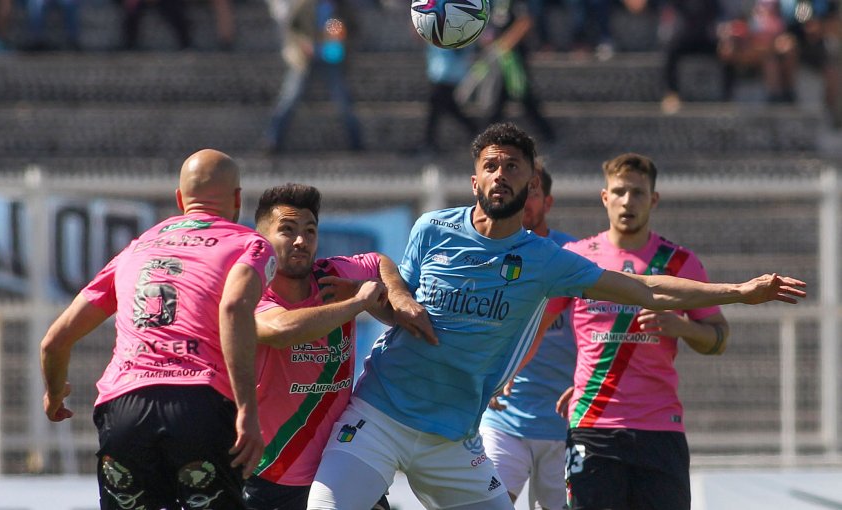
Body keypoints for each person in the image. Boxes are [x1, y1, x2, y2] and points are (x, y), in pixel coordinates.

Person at [305, 121, 806, 510]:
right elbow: (403, 307)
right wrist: (378, 295)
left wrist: (739, 292)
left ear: (532, 183)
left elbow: (646, 287)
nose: (502, 174)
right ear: (474, 177)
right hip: (380, 414)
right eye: (492, 165)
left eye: (514, 166)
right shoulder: (434, 228)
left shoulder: (545, 259)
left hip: (454, 438)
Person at [39, 149, 277, 510]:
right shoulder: (249, 244)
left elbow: (54, 342)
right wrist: (247, 408)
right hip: (199, 404)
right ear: (238, 200)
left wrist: (55, 393)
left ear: (181, 200)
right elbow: (233, 308)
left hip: (124, 410)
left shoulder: (137, 249)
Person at [542, 153, 730, 510]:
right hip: (594, 426)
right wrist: (504, 373)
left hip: (661, 429)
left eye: (638, 193)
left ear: (653, 199)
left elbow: (719, 339)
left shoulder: (679, 263)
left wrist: (682, 326)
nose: (628, 201)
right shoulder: (577, 259)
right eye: (620, 191)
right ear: (605, 197)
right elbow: (535, 326)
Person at [243, 183, 436, 510]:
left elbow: (379, 262)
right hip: (274, 471)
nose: (301, 241)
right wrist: (358, 302)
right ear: (262, 240)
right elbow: (281, 329)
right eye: (287, 230)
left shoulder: (332, 274)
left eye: (310, 230)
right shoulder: (253, 292)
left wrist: (399, 296)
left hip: (343, 463)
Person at [479, 161, 575, 510]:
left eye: (531, 192)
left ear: (547, 202)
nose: (523, 201)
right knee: (488, 504)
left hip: (563, 425)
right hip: (503, 418)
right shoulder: (488, 256)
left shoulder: (574, 256)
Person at [264, 0, 363, 154]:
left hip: (333, 58)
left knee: (344, 101)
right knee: (289, 98)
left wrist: (342, 39)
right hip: (305, 60)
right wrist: (303, 44)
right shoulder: (304, 5)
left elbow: (354, 29)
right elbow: (292, 29)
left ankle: (356, 142)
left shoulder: (342, 6)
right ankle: (272, 140)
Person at [483, 0, 557, 144]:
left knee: (521, 96)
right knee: (501, 99)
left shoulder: (516, 3)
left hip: (515, 60)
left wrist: (507, 43)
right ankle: (486, 137)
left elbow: (525, 22)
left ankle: (548, 136)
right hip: (500, 60)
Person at [421, 44, 479, 155]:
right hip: (441, 73)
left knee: (440, 108)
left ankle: (429, 142)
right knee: (444, 108)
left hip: (448, 74)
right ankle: (429, 142)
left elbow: (458, 48)